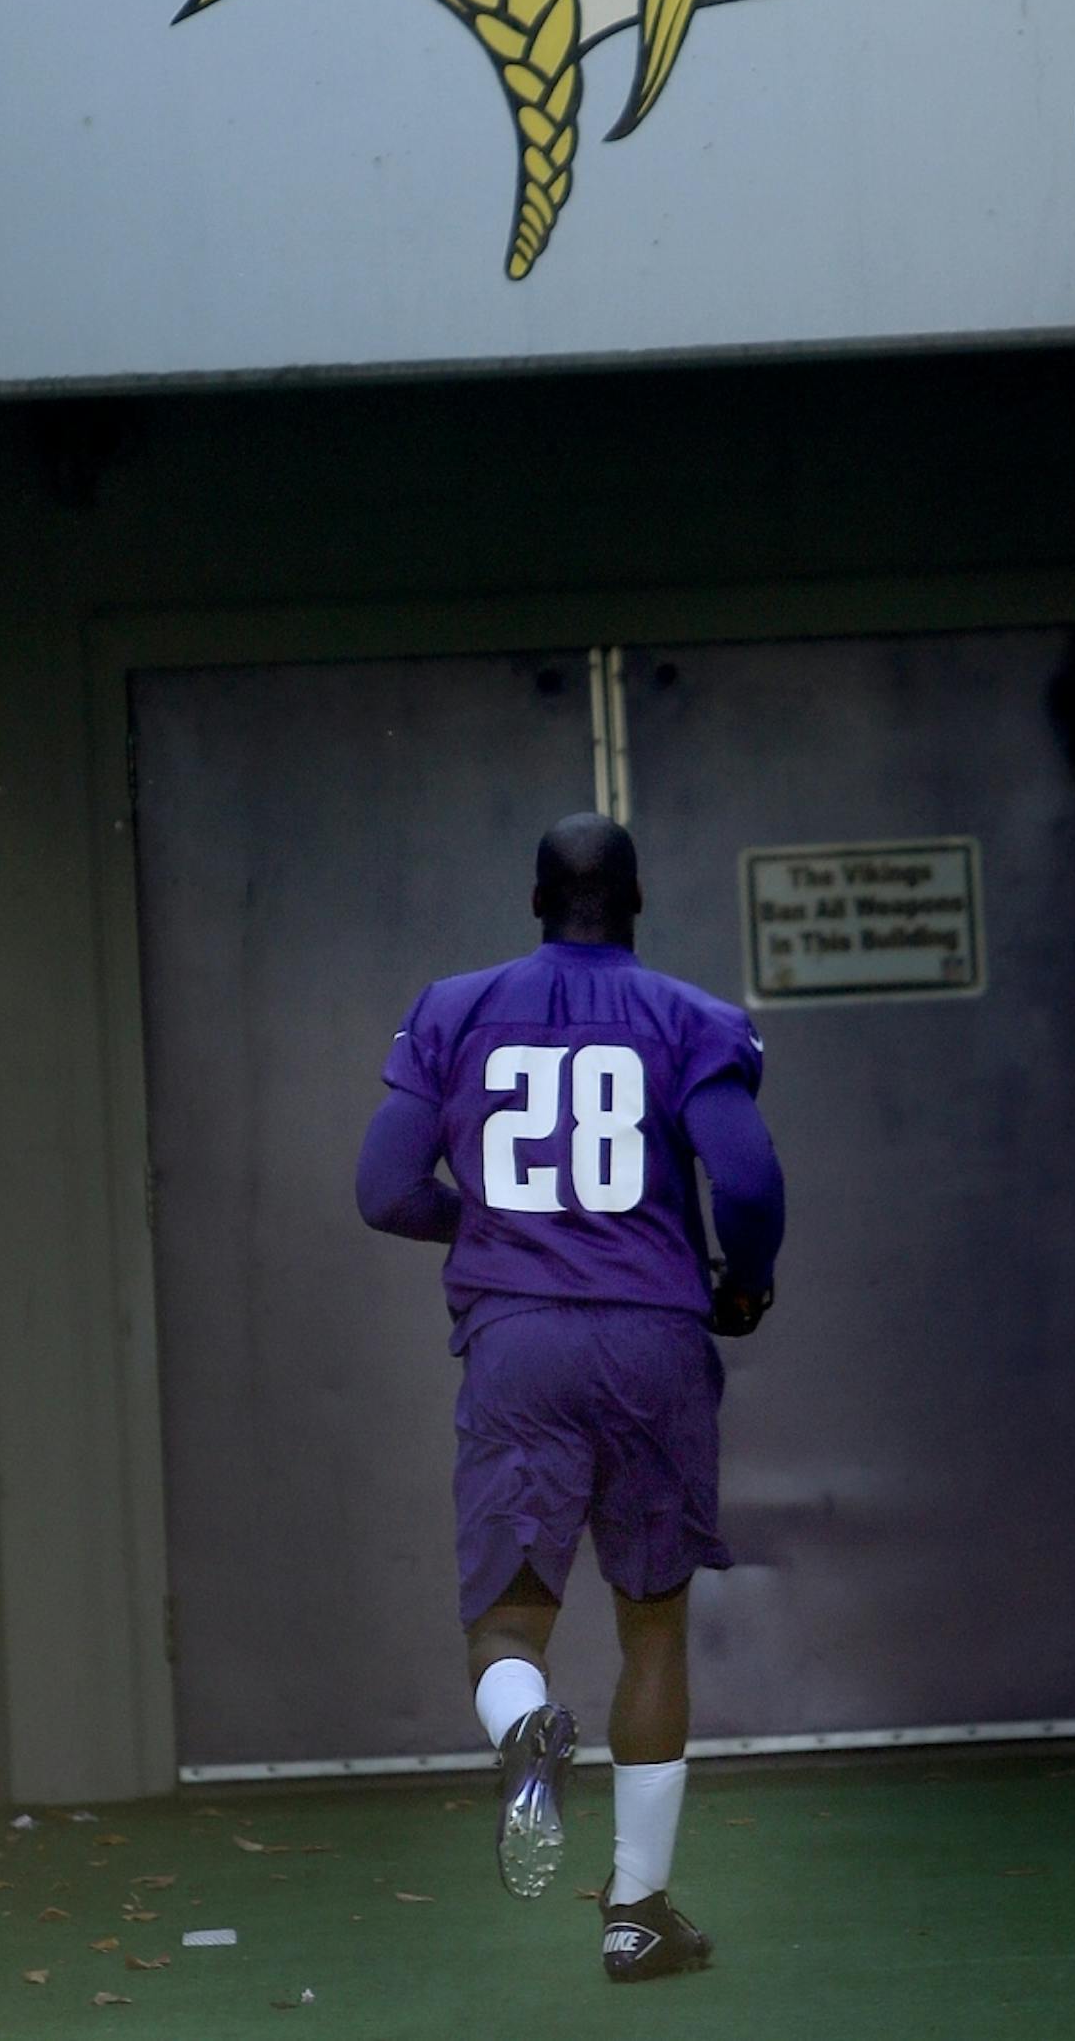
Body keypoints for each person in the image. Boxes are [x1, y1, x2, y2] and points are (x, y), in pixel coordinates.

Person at [356, 813, 785, 1984]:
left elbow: (386, 1187)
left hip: (519, 1346)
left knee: (508, 1619)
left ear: (535, 898)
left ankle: (524, 1730)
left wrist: (500, 1223)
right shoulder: (694, 1017)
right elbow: (744, 1179)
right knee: (651, 1620)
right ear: (635, 901)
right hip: (652, 1340)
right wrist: (741, 1285)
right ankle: (637, 1913)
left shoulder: (450, 1008)